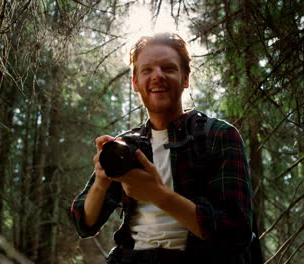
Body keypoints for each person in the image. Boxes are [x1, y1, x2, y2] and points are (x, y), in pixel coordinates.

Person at [71, 32, 254, 263]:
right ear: (136, 83)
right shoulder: (125, 145)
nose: (157, 76)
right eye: (147, 70)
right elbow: (83, 223)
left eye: (168, 68)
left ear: (186, 79)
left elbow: (235, 233)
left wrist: (158, 195)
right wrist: (101, 181)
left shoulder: (218, 135)